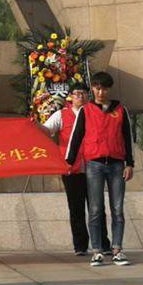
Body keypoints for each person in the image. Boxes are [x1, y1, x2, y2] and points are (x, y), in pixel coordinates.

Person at [65, 70, 134, 267]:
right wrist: (69, 162)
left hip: (116, 164)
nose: (100, 92)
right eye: (97, 88)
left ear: (109, 89)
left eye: (104, 88)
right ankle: (97, 251)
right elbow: (76, 137)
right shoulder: (85, 111)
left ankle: (117, 250)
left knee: (117, 209)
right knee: (95, 209)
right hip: (94, 165)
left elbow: (127, 138)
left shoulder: (120, 110)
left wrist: (130, 163)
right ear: (93, 89)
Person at [39, 82, 107, 256]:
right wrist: (33, 124)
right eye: (76, 93)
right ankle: (81, 246)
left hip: (94, 167)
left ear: (88, 96)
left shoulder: (96, 113)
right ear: (70, 96)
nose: (80, 96)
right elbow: (46, 130)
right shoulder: (61, 115)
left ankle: (103, 244)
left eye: (83, 93)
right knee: (76, 209)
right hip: (71, 169)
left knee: (97, 208)